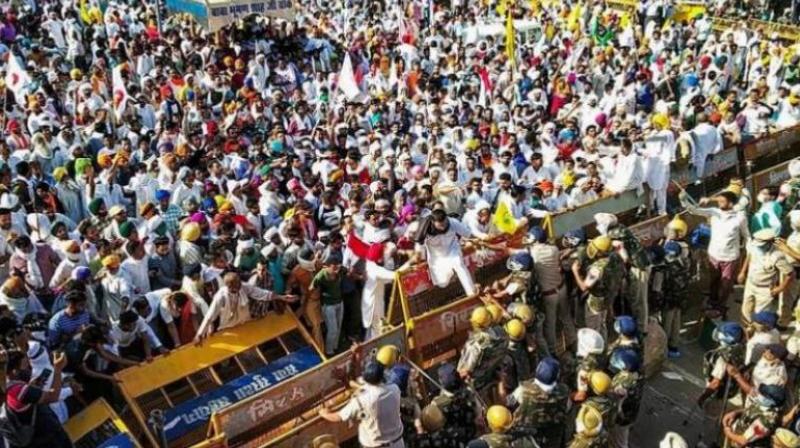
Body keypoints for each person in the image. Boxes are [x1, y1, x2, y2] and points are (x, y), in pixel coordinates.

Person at [681, 189, 750, 317]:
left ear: (730, 203)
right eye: (719, 201)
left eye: (722, 201)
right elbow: (694, 210)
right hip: (714, 254)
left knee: (726, 284)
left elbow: (747, 237)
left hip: (730, 257)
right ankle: (712, 301)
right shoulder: (714, 212)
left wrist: (747, 259)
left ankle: (720, 305)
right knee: (714, 281)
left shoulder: (740, 217)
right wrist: (683, 200)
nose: (719, 203)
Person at [319, 361, 404, 448]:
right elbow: (367, 389)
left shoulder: (361, 401)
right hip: (397, 443)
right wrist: (345, 379)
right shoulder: (394, 389)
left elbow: (338, 417)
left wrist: (324, 413)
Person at [195, 272, 297, 341]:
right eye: (237, 284)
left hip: (245, 322)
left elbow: (262, 293)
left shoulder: (244, 286)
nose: (240, 284)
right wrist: (199, 334)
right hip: (229, 327)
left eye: (239, 281)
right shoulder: (221, 296)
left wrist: (282, 297)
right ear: (230, 286)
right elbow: (210, 315)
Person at [1, 351, 72, 448]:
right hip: (50, 440)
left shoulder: (9, 389)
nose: (28, 368)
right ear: (15, 371)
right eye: (24, 365)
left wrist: (32, 388)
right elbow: (53, 396)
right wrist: (57, 369)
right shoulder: (18, 390)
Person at [507, 357, 570, 447]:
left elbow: (509, 403)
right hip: (552, 439)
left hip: (525, 439)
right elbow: (567, 408)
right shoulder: (564, 391)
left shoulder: (523, 390)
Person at [738, 228, 794, 325]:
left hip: (765, 290)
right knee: (745, 311)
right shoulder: (753, 246)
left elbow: (791, 274)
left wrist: (780, 288)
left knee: (760, 318)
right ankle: (746, 329)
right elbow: (749, 256)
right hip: (750, 284)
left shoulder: (777, 256)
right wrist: (743, 272)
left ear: (769, 243)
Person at [416, 209, 476, 296]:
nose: (443, 227)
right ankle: (451, 272)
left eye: (444, 223)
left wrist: (479, 240)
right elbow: (419, 250)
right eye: (440, 225)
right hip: (436, 257)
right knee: (443, 283)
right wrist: (420, 260)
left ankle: (472, 293)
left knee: (459, 264)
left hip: (452, 249)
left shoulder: (452, 222)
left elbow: (469, 234)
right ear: (433, 222)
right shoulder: (425, 230)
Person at [571, 236, 620, 338]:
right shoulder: (614, 256)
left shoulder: (597, 268)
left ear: (601, 252)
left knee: (594, 330)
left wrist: (575, 271)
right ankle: (604, 346)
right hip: (609, 295)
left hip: (596, 301)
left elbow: (584, 287)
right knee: (602, 324)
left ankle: (598, 350)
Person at [458, 306, 508, 403]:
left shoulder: (476, 345)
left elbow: (465, 371)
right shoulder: (501, 332)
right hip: (494, 372)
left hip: (479, 382)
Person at [697, 321, 746, 407]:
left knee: (709, 415)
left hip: (716, 394)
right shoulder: (739, 350)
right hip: (728, 390)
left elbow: (716, 383)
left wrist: (702, 397)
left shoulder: (723, 358)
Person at [310, 251, 345, 356]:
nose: (336, 269)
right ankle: (329, 351)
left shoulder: (341, 271)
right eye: (334, 267)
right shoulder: (321, 276)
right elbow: (311, 287)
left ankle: (335, 347)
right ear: (327, 267)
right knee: (332, 329)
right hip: (328, 306)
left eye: (337, 266)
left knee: (338, 327)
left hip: (340, 302)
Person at [609, 348, 644, 448]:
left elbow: (613, 393)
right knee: (624, 433)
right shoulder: (638, 374)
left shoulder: (622, 384)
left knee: (620, 440)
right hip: (632, 412)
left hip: (622, 415)